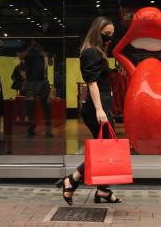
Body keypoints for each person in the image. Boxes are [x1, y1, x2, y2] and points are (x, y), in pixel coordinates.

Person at [55, 16, 121, 205]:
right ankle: (73, 180)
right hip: (96, 107)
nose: (109, 38)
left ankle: (102, 190)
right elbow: (91, 83)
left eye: (112, 35)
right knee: (106, 148)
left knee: (104, 148)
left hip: (100, 105)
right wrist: (100, 110)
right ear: (97, 32)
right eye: (107, 34)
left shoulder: (96, 51)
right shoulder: (92, 52)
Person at [19, 41, 53, 137]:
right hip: (31, 81)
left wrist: (44, 53)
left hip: (43, 81)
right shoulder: (29, 52)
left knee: (47, 106)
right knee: (30, 107)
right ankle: (31, 128)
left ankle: (48, 130)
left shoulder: (43, 52)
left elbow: (50, 63)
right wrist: (30, 47)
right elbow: (21, 57)